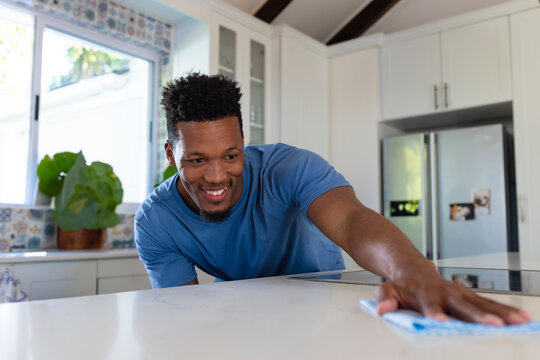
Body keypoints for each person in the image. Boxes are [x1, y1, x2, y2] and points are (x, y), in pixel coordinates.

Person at [135, 72, 531, 326]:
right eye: (197, 160)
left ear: (244, 143)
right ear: (171, 154)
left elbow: (350, 221)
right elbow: (184, 312)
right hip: (247, 311)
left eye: (231, 156)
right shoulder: (155, 222)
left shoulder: (288, 168)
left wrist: (413, 270)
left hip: (327, 299)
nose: (217, 176)